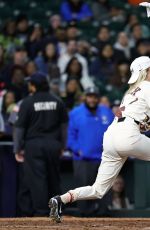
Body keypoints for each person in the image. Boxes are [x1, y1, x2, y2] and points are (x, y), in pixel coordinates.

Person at [49, 56, 150, 222]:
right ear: (146, 70)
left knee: (98, 189)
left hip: (111, 136)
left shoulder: (130, 91)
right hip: (128, 135)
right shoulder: (147, 86)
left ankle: (61, 200)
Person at [14, 72, 68, 216]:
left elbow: (20, 127)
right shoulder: (57, 101)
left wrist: (17, 149)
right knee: (54, 178)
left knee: (38, 180)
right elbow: (64, 126)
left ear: (33, 85)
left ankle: (42, 212)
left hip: (34, 145)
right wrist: (63, 145)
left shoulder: (27, 102)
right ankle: (57, 210)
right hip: (53, 144)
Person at [66, 87, 114, 216]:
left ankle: (104, 216)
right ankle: (84, 218)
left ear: (98, 98)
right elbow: (70, 136)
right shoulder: (76, 113)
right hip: (83, 159)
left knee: (104, 190)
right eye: (89, 96)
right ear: (85, 97)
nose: (92, 99)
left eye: (94, 97)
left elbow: (115, 132)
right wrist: (77, 149)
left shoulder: (107, 112)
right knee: (83, 190)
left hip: (104, 158)